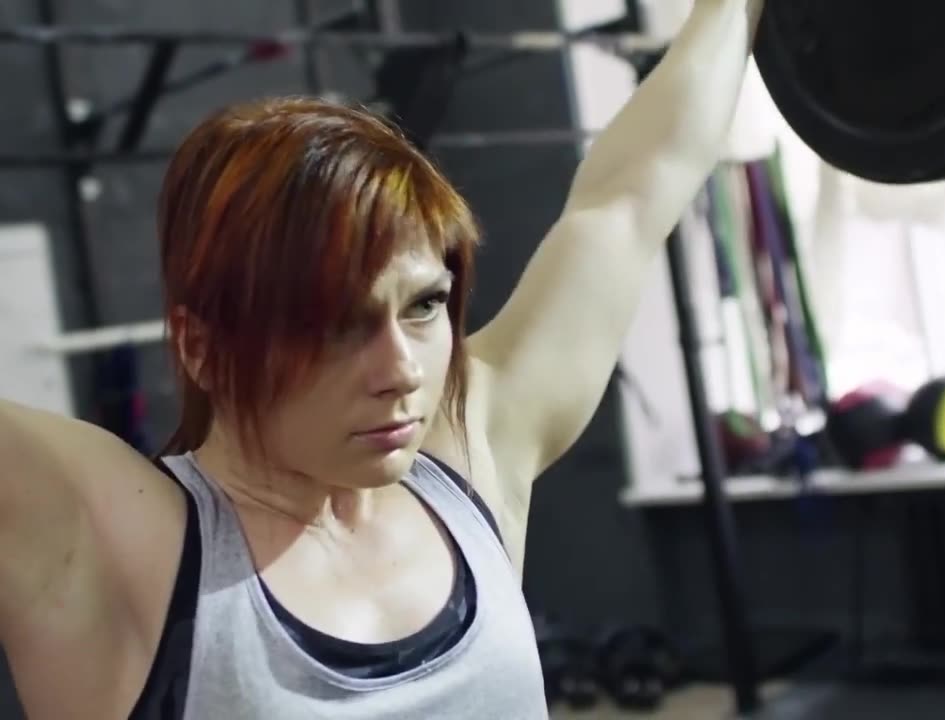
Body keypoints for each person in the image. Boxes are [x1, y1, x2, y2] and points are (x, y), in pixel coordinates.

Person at [0, 0, 765, 718]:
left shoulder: (475, 462)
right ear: (200, 347)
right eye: (332, 326)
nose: (400, 370)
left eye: (424, 305)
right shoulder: (121, 545)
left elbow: (629, 198)